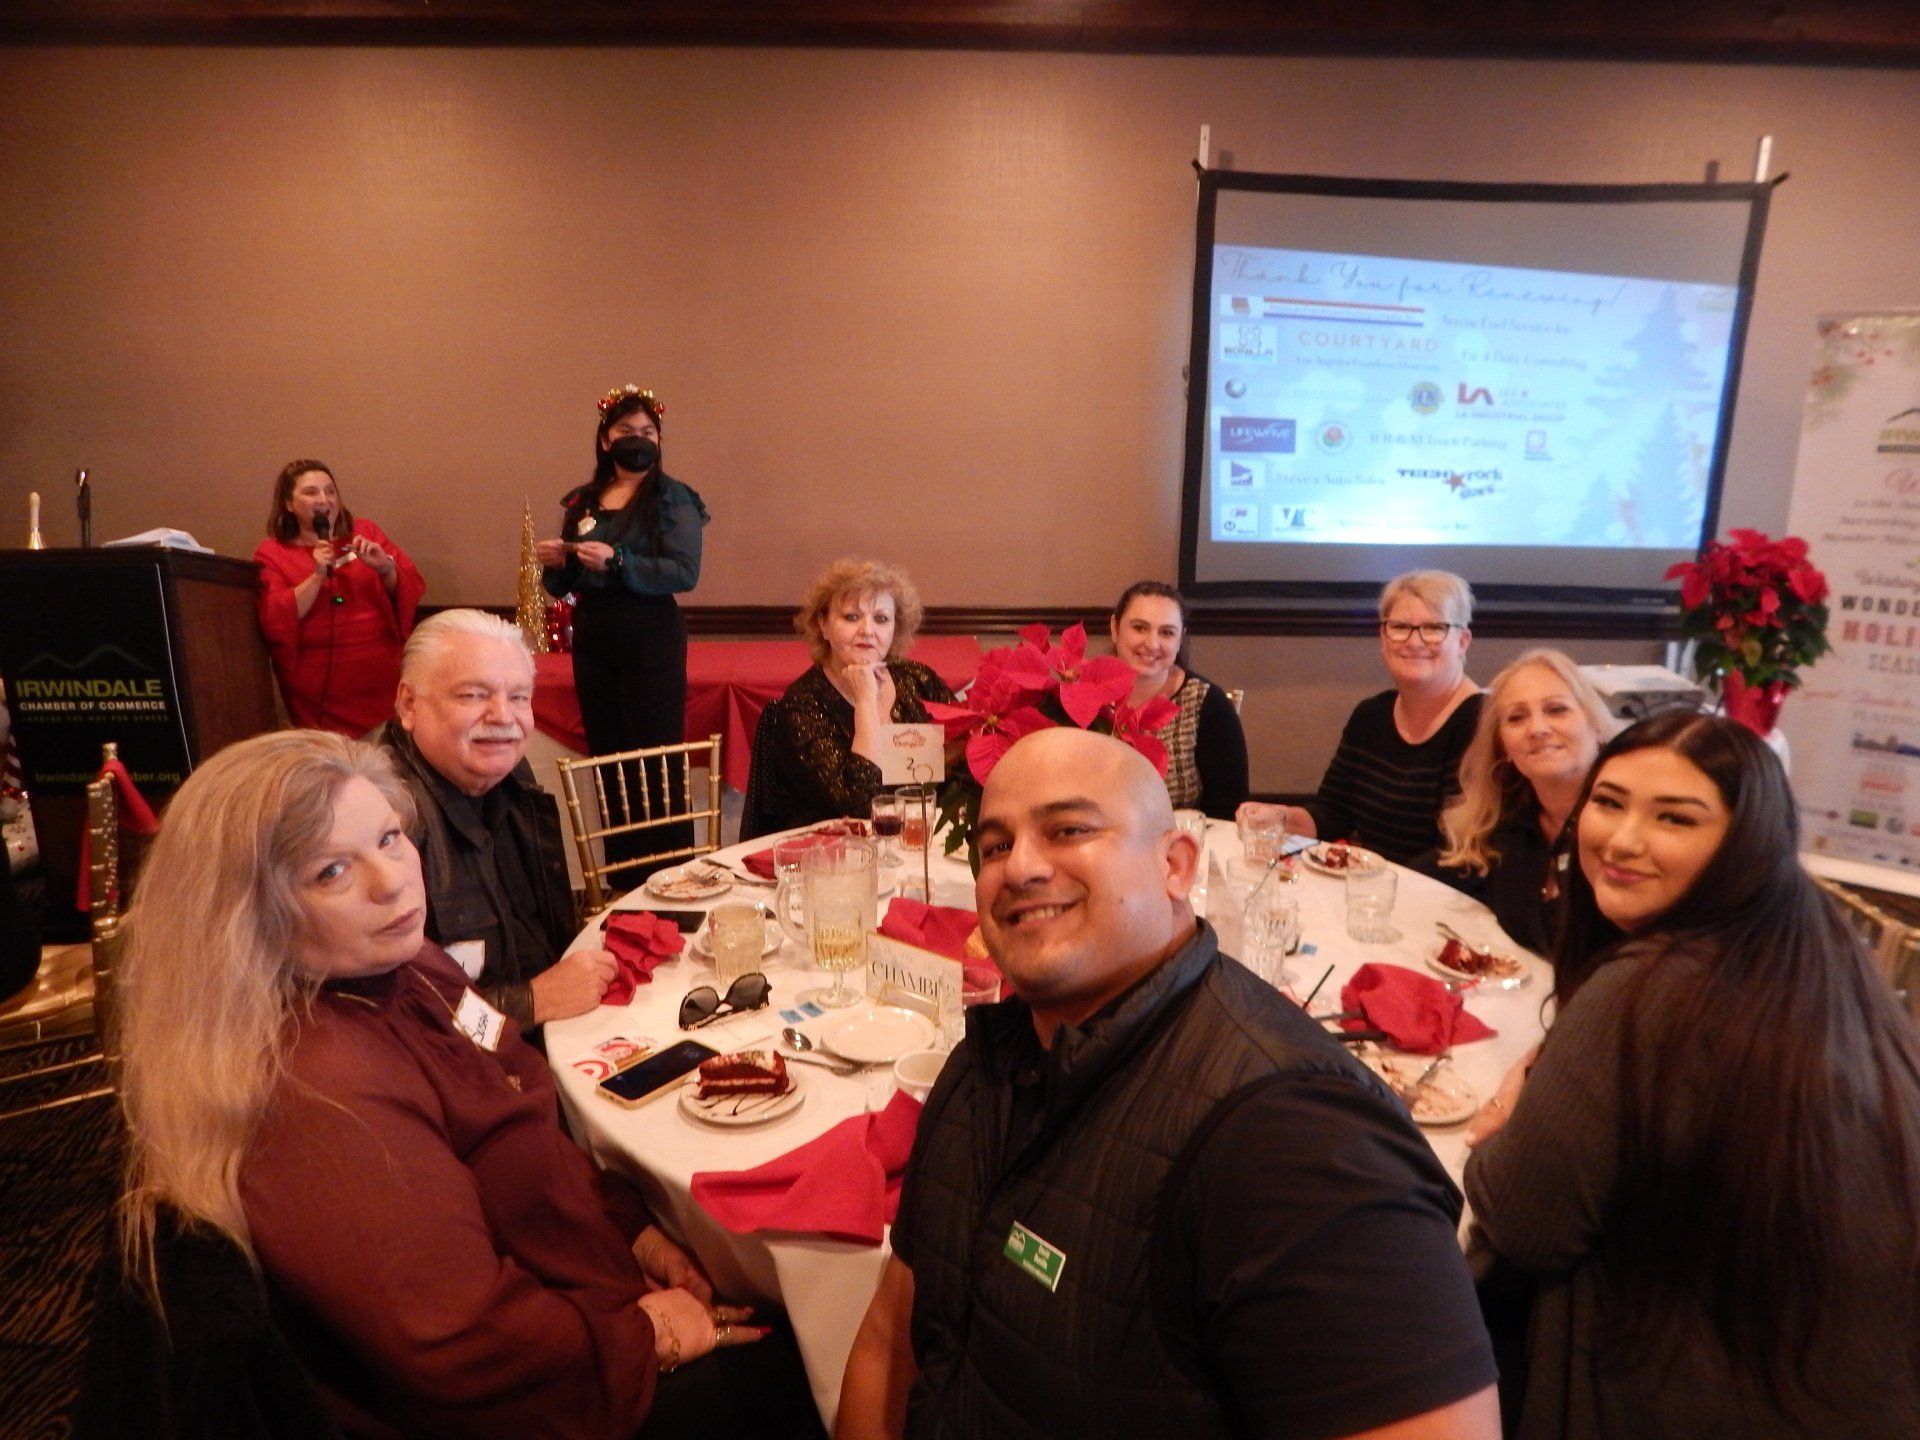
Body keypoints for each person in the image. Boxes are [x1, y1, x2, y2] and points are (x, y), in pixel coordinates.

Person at [89, 730, 822, 1439]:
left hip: (580, 1297)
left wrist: (632, 1233)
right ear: (247, 917)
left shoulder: (409, 970)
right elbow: (462, 1346)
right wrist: (647, 1335)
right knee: (827, 1370)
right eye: (330, 872)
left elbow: (508, 1090)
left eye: (387, 838)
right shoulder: (322, 1088)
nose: (392, 882)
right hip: (541, 1387)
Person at [838, 727, 1499, 1440]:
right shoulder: (988, 1062)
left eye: (1067, 829)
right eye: (995, 846)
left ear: (1176, 865)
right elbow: (889, 1341)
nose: (1020, 866)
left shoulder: (1300, 1139)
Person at [1464, 712, 1920, 1438]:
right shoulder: (1816, 953)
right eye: (1608, 802)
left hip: (1684, 1391)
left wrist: (1501, 1130)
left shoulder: (1647, 985)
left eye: (1675, 818)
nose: (1622, 840)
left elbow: (1524, 1222)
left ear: (1744, 841)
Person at [373, 609, 615, 1031]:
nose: (504, 717)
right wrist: (529, 1004)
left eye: (519, 697)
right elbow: (393, 1025)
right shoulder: (381, 823)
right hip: (472, 1079)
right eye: (473, 695)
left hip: (550, 1037)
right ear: (409, 704)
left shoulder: (510, 779)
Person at [538, 386, 708, 878]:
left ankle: (671, 875)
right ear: (604, 439)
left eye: (647, 433)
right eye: (625, 432)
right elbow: (565, 585)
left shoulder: (672, 497)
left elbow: (684, 572)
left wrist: (619, 560)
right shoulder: (584, 499)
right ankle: (623, 876)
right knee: (610, 757)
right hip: (594, 636)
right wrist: (558, 563)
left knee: (654, 758)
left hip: (649, 633)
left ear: (659, 440)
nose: (637, 440)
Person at [1240, 569, 1482, 866]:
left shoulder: (1483, 723)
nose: (1414, 641)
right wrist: (1280, 817)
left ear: (1463, 640)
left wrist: (1378, 882)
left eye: (1434, 628)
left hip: (1443, 899)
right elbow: (1332, 813)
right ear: (1383, 636)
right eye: (1400, 626)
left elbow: (1462, 852)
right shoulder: (1371, 716)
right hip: (1373, 895)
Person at [742, 558, 955, 839]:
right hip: (834, 859)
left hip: (921, 849)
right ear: (823, 625)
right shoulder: (802, 705)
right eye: (851, 617)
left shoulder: (919, 681)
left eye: (881, 619)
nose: (868, 630)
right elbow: (863, 808)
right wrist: (866, 703)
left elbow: (959, 773)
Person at [1424, 649, 1614, 955]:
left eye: (1556, 709)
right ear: (1505, 748)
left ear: (1596, 725)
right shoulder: (1510, 823)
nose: (1537, 729)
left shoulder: (1627, 828)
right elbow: (1426, 875)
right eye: (1516, 717)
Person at [253, 459, 425, 735]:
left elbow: (410, 585)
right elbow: (276, 617)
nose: (324, 499)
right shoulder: (272, 553)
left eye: (330, 491)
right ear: (288, 503)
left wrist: (385, 567)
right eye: (311, 492)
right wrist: (316, 575)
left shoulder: (365, 533)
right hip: (320, 688)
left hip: (381, 673)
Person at [1107, 580, 1247, 820]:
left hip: (1179, 848)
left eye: (1167, 632)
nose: (1152, 643)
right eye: (1139, 628)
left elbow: (1227, 812)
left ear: (1180, 639)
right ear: (1115, 628)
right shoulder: (1080, 694)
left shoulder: (1207, 704)